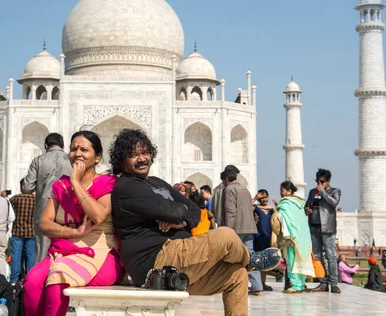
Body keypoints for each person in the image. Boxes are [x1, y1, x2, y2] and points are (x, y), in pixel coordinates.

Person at [110, 129, 280, 316]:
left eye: (145, 153)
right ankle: (250, 261)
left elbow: (194, 211)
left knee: (236, 276)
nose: (141, 159)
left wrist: (180, 223)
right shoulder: (126, 187)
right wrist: (176, 211)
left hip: (181, 255)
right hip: (156, 259)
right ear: (121, 161)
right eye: (134, 155)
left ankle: (246, 265)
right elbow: (173, 210)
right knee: (226, 236)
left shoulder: (156, 182)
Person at [23, 131, 123, 316]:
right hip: (65, 251)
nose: (77, 153)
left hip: (101, 255)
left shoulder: (106, 183)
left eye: (84, 149)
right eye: (73, 149)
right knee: (32, 281)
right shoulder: (61, 186)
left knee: (59, 276)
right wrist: (76, 233)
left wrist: (75, 182)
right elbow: (44, 224)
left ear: (97, 157)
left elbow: (98, 216)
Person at [24, 132, 73, 263]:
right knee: (65, 250)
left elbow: (27, 187)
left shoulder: (38, 160)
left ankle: (40, 281)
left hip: (44, 210)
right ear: (63, 146)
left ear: (46, 146)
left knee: (42, 251)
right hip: (67, 211)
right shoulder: (71, 159)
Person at [223, 168, 263, 296]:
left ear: (226, 180)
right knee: (250, 257)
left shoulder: (229, 189)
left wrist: (229, 230)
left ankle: (233, 284)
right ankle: (257, 286)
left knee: (234, 257)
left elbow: (230, 211)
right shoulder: (244, 189)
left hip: (237, 228)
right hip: (249, 227)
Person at [305, 168, 341, 293]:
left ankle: (334, 283)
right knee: (318, 256)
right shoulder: (311, 192)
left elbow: (334, 203)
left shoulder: (335, 191)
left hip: (327, 227)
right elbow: (307, 205)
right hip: (314, 227)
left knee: (330, 256)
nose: (319, 184)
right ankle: (323, 282)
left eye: (322, 181)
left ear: (328, 181)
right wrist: (307, 210)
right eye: (318, 181)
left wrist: (322, 193)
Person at [274, 181, 314, 294]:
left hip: (291, 236)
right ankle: (301, 285)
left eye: (282, 190)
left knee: (292, 260)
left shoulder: (285, 203)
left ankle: (296, 285)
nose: (280, 193)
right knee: (301, 260)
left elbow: (282, 217)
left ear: (289, 191)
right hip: (302, 235)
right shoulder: (300, 203)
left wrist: (277, 210)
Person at [9, 178, 36, 283]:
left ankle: (14, 280)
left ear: (22, 187)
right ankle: (30, 279)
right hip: (31, 232)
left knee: (16, 256)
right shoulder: (36, 200)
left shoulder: (16, 198)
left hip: (17, 232)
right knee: (31, 256)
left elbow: (8, 210)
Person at [253, 189, 275, 291]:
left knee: (266, 261)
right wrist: (255, 198)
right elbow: (246, 208)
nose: (264, 199)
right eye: (262, 198)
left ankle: (263, 282)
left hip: (268, 237)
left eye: (266, 197)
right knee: (257, 261)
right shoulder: (255, 208)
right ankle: (257, 284)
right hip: (258, 237)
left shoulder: (272, 209)